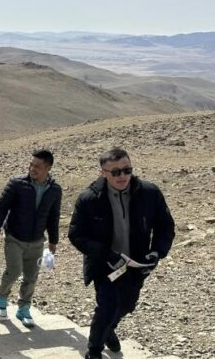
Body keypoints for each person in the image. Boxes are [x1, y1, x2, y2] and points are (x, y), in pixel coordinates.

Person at [68, 147, 175, 359]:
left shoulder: (149, 193)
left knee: (127, 305)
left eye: (127, 170)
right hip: (104, 264)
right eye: (115, 172)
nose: (122, 176)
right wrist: (106, 254)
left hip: (136, 264)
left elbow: (165, 226)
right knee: (107, 306)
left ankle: (109, 330)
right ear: (103, 173)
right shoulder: (89, 199)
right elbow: (76, 235)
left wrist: (157, 252)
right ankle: (94, 350)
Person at [0, 150, 62, 327]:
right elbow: (2, 207)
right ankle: (1, 297)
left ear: (48, 168)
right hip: (14, 237)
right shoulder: (17, 183)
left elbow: (53, 216)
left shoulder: (55, 190)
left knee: (31, 277)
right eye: (31, 164)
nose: (32, 168)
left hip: (37, 240)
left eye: (37, 166)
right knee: (14, 271)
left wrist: (53, 240)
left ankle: (23, 308)